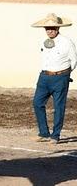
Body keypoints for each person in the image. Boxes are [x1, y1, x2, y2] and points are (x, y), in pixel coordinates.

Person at [31, 13, 77, 144]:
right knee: (37, 103)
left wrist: (64, 74)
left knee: (59, 107)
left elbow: (74, 60)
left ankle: (55, 135)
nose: (49, 31)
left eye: (52, 28)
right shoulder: (43, 42)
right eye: (47, 28)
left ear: (58, 29)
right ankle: (44, 133)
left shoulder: (67, 42)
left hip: (60, 77)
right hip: (44, 77)